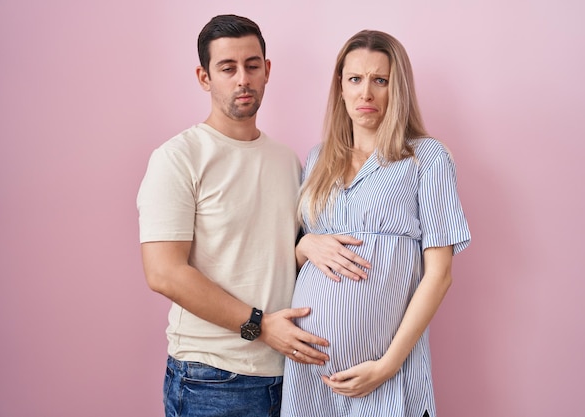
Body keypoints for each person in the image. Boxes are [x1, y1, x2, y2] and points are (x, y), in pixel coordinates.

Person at [136, 14, 330, 417]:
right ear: (204, 77)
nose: (243, 78)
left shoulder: (287, 160)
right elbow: (164, 273)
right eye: (228, 68)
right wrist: (260, 325)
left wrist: (305, 244)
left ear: (267, 71)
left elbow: (274, 256)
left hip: (288, 376)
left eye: (252, 65)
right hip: (211, 377)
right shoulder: (178, 158)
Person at [280, 30, 471, 417]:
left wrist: (388, 366)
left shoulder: (426, 158)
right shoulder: (317, 159)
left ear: (396, 88)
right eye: (355, 79)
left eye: (379, 80)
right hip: (307, 375)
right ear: (341, 86)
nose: (366, 93)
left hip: (385, 374)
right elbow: (297, 250)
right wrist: (303, 246)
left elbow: (440, 275)